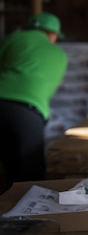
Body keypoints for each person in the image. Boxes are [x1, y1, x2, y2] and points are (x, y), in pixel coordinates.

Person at [0, 12, 67, 189]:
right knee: (30, 174)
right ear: (53, 35)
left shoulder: (14, 38)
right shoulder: (59, 55)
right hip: (28, 112)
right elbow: (47, 90)